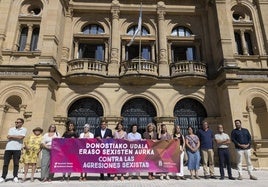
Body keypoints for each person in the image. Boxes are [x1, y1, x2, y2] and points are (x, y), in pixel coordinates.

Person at [0, 118, 27, 183]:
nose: (16, 123)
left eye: (18, 122)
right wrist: (16, 137)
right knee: (5, 164)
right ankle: (3, 177)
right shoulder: (11, 129)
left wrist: (13, 136)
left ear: (22, 123)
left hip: (17, 149)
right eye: (16, 122)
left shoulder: (24, 129)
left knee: (16, 164)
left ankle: (15, 176)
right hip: (8, 148)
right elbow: (8, 136)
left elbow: (21, 137)